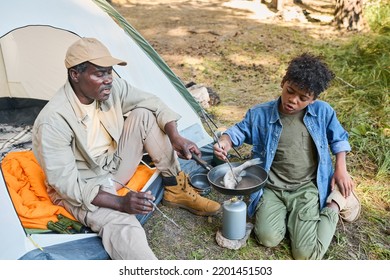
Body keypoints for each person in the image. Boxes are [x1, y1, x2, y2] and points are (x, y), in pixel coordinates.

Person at [32, 37, 221, 260]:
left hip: (111, 164)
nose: (108, 79)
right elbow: (66, 185)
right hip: (83, 185)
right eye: (99, 73)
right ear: (75, 75)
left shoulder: (112, 88)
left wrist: (175, 136)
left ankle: (174, 189)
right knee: (123, 225)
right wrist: (120, 202)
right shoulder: (53, 120)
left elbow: (153, 102)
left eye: (109, 72)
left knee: (143, 114)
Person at [213, 53, 361, 260]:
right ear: (283, 82)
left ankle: (335, 203)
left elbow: (339, 139)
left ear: (314, 99)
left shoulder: (322, 112)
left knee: (306, 255)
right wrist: (225, 141)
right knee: (267, 238)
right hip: (272, 187)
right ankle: (292, 216)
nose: (293, 100)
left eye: (303, 98)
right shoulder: (260, 113)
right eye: (290, 91)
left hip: (306, 187)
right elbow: (238, 131)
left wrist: (341, 169)